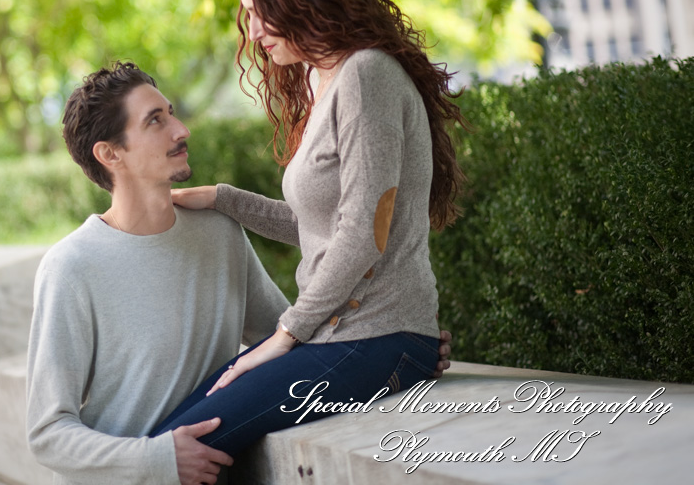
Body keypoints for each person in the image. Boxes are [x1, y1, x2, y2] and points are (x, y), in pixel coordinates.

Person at [26, 61, 453, 485]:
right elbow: (47, 433)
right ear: (110, 154)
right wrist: (154, 458)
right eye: (155, 121)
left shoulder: (218, 232)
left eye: (171, 113)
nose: (181, 130)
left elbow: (292, 341)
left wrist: (391, 341)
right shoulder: (72, 266)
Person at [151, 0, 466, 457]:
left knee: (181, 447)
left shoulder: (367, 76)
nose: (252, 32)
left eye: (259, 12)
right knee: (170, 440)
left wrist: (283, 336)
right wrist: (223, 198)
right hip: (344, 335)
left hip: (376, 337)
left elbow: (365, 233)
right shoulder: (323, 78)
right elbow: (320, 227)